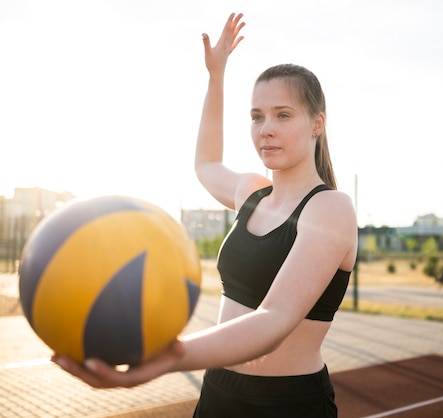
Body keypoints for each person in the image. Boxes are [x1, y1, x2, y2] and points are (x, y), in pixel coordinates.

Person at [52, 12, 357, 417]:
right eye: (256, 116)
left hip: (290, 404)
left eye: (283, 115)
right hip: (218, 394)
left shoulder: (331, 208)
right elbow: (206, 163)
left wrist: (169, 357)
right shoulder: (251, 192)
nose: (265, 129)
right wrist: (216, 76)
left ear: (317, 124)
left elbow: (274, 319)